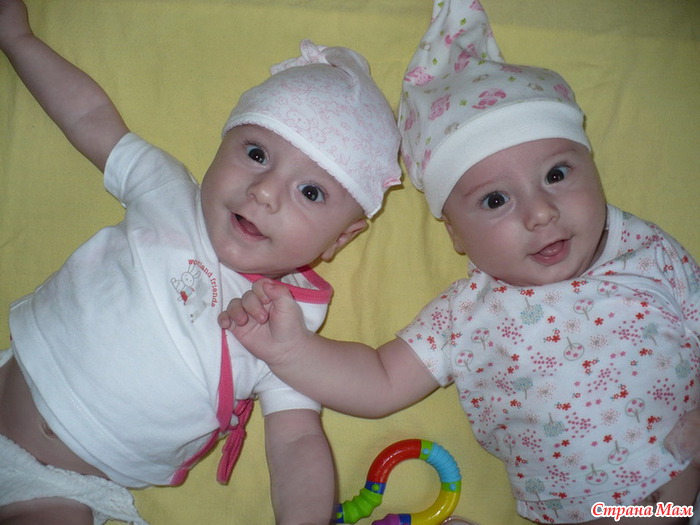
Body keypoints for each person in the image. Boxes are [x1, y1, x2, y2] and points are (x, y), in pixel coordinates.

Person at [220, 0, 700, 523]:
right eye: (496, 200)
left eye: (557, 175)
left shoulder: (647, 253)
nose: (541, 212)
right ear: (456, 236)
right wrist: (294, 350)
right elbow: (380, 380)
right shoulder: (465, 315)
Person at [0, 0, 401, 523]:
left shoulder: (286, 327)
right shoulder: (168, 193)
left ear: (340, 239)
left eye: (310, 191)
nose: (264, 191)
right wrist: (18, 41)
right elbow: (89, 117)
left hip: (52, 490)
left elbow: (296, 440)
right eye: (256, 154)